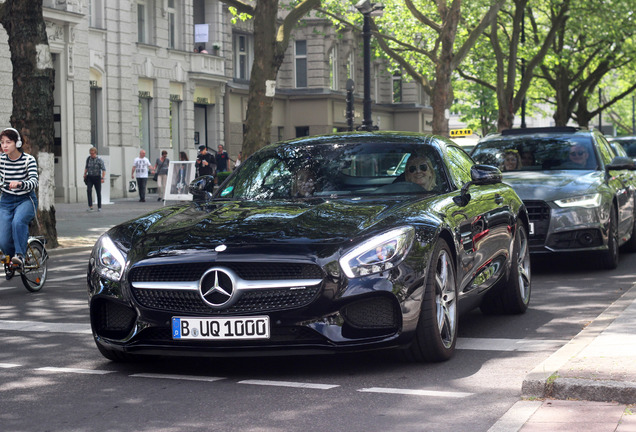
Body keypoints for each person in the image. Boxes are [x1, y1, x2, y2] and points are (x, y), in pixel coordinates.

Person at [0, 127, 38, 270]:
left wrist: (21, 183)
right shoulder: (1, 160)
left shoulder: (29, 160)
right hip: (6, 201)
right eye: (2, 142)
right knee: (2, 239)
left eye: (8, 142)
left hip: (26, 199)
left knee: (18, 222)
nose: (4, 145)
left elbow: (34, 181)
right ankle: (12, 260)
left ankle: (20, 255)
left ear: (17, 143)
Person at [83, 147, 106, 212]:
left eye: (92, 153)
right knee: (88, 190)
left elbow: (103, 169)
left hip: (97, 177)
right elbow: (86, 167)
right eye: (90, 153)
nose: (91, 155)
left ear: (95, 153)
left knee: (98, 192)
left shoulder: (99, 160)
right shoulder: (88, 159)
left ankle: (99, 207)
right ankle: (90, 206)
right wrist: (84, 174)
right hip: (90, 177)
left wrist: (102, 178)